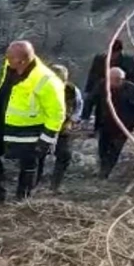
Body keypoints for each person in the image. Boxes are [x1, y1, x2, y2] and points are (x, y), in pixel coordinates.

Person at [0, 40, 66, 206]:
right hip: (3, 123)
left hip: (30, 130)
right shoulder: (11, 67)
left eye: (10, 58)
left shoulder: (46, 80)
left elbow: (57, 112)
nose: (7, 60)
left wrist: (47, 138)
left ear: (22, 60)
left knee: (29, 164)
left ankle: (23, 201)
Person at [82, 67, 134, 179]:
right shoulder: (102, 86)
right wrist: (85, 118)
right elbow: (90, 101)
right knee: (103, 148)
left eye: (117, 79)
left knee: (115, 149)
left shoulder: (133, 90)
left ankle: (105, 172)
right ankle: (103, 168)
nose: (113, 82)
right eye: (111, 79)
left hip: (124, 126)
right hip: (105, 123)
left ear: (122, 79)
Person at [36, 64, 83, 193]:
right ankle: (33, 185)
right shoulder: (40, 88)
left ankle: (55, 186)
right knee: (38, 156)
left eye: (62, 79)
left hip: (62, 127)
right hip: (43, 127)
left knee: (64, 155)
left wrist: (72, 121)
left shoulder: (72, 90)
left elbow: (78, 107)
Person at [83, 39, 134, 120]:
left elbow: (133, 78)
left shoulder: (128, 60)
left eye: (114, 53)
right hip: (102, 88)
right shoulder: (99, 59)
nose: (112, 56)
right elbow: (92, 75)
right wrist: (89, 90)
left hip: (121, 89)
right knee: (95, 104)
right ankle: (87, 120)